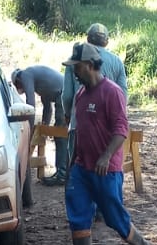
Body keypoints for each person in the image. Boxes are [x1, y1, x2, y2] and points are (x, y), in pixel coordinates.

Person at [63, 41, 156, 245]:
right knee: (77, 214)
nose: (74, 72)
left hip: (105, 170)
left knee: (114, 218)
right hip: (82, 168)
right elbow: (80, 133)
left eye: (77, 67)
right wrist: (71, 164)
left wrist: (106, 156)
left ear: (89, 65)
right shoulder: (81, 95)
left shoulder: (112, 92)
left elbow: (121, 129)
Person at [53, 23, 128, 185]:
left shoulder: (77, 59)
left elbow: (67, 95)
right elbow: (123, 97)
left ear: (88, 38)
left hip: (79, 124)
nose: (77, 74)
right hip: (109, 131)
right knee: (101, 181)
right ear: (106, 41)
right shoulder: (116, 62)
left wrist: (68, 115)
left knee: (78, 175)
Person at [12, 65, 65, 176]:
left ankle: (62, 173)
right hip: (62, 92)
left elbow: (30, 104)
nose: (22, 89)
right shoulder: (42, 86)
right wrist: (44, 127)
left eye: (19, 86)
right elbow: (48, 108)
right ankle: (63, 171)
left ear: (18, 81)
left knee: (60, 134)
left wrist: (29, 129)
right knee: (61, 134)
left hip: (63, 94)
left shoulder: (25, 75)